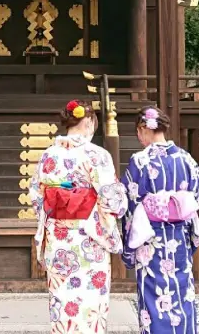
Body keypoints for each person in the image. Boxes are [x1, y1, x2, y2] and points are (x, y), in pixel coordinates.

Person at [29, 99, 128, 334]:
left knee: (62, 300)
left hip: (58, 237)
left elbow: (37, 197)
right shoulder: (97, 155)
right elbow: (111, 199)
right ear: (90, 123)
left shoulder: (48, 155)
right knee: (91, 301)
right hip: (89, 237)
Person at [121, 106, 199, 334]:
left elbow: (130, 202)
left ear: (143, 129)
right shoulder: (186, 159)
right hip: (178, 239)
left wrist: (128, 247)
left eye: (138, 133)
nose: (139, 139)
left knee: (152, 294)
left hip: (150, 241)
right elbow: (196, 196)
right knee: (182, 292)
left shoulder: (139, 161)